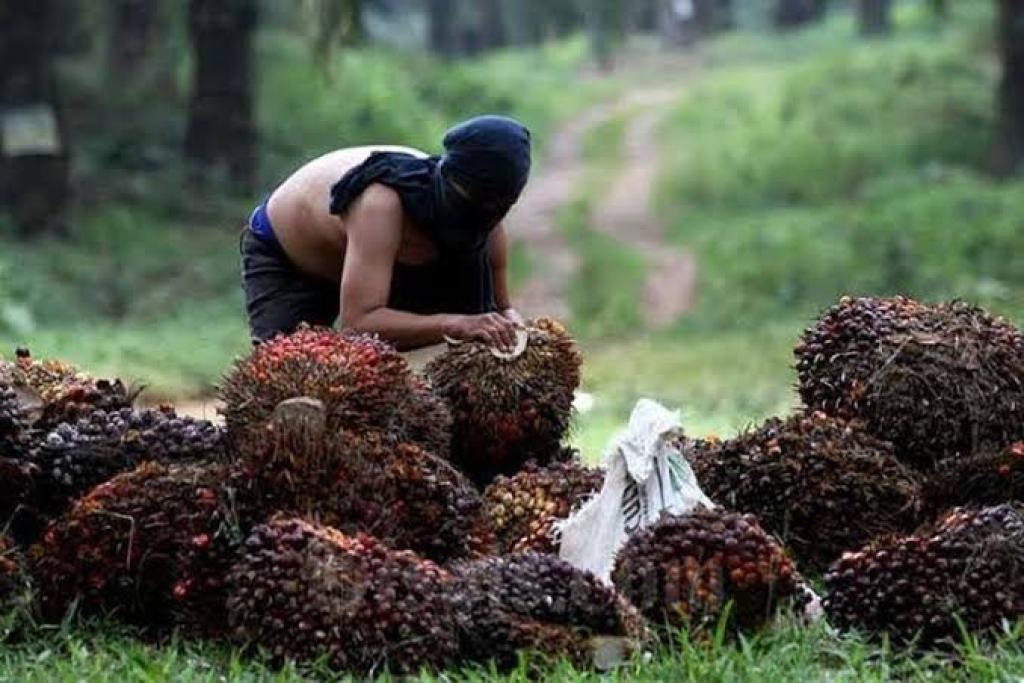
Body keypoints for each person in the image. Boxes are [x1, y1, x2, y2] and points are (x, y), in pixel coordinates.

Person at [240, 114, 532, 351]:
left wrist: (515, 331)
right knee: (290, 377)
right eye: (477, 202)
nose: (489, 215)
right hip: (292, 257)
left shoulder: (486, 227)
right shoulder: (381, 203)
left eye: (499, 208)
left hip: (372, 269)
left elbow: (501, 311)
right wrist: (457, 324)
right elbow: (358, 325)